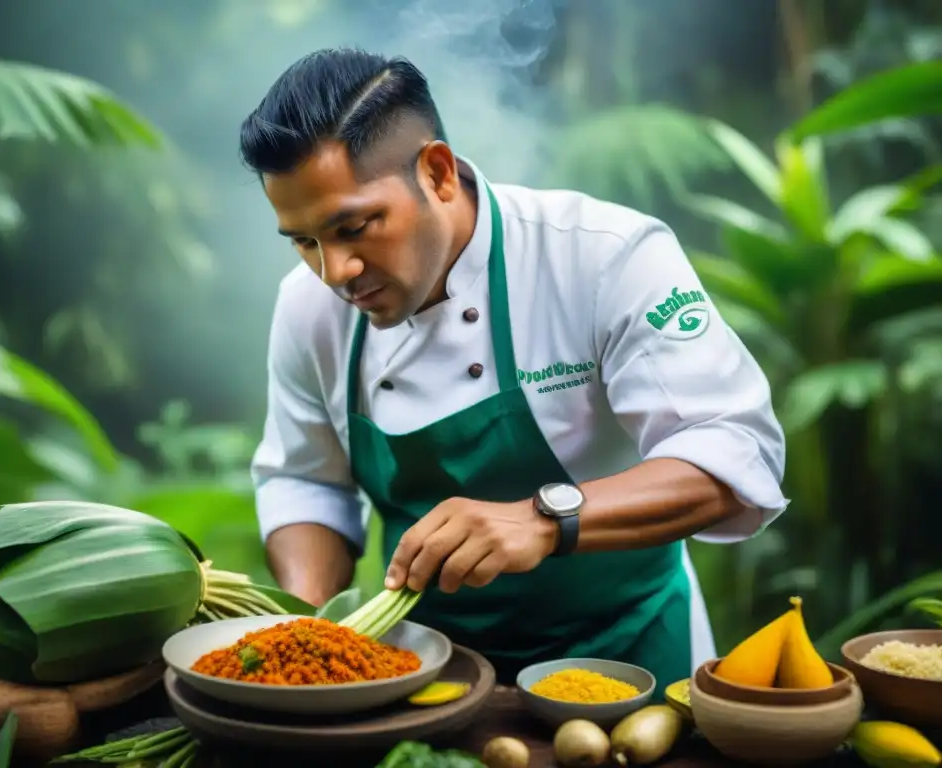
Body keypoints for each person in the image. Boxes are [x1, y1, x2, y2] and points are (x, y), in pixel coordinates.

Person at [244, 48, 787, 691]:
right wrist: (308, 627)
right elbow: (306, 481)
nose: (336, 272)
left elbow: (735, 452)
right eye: (305, 242)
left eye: (355, 227)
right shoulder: (310, 309)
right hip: (426, 676)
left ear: (438, 172)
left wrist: (541, 518)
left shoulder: (603, 257)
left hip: (629, 658)